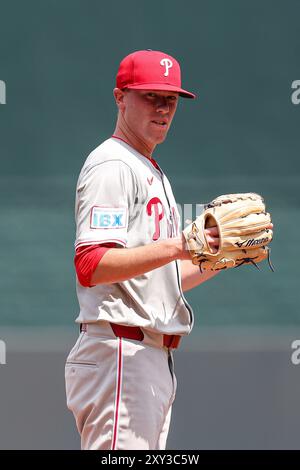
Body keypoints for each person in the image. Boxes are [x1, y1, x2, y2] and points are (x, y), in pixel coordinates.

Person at [65, 49, 220, 450]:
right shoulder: (112, 165)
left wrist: (215, 259)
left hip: (146, 357)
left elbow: (159, 277)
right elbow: (91, 263)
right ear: (120, 97)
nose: (163, 107)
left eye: (170, 98)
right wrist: (177, 245)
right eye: (150, 95)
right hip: (121, 352)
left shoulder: (148, 169)